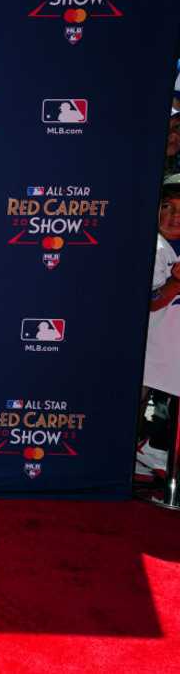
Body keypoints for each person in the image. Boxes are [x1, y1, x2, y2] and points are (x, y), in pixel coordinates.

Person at [141, 173, 180, 479]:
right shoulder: (154, 247)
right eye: (168, 206)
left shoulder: (171, 248)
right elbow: (150, 301)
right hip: (148, 357)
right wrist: (176, 282)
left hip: (166, 360)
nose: (175, 216)